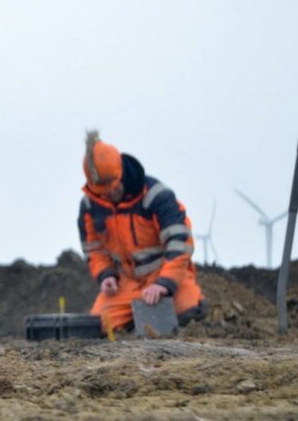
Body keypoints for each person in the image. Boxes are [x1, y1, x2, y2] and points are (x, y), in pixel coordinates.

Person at [77, 131, 205, 331]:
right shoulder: (90, 206)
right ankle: (135, 323)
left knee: (188, 311)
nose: (110, 193)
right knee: (100, 326)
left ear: (121, 171)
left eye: (113, 185)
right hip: (127, 283)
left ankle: (167, 310)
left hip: (165, 274)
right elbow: (94, 250)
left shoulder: (155, 196)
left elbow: (180, 244)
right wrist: (107, 275)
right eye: (103, 190)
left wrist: (164, 283)